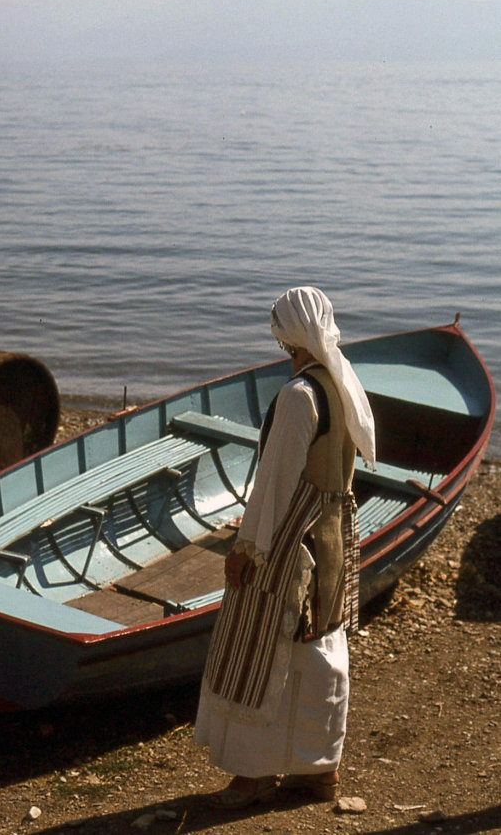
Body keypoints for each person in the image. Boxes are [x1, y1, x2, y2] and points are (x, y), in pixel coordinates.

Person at [193, 286, 375, 810]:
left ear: (287, 334)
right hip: (334, 533)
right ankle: (319, 771)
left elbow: (275, 482)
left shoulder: (299, 396)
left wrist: (247, 549)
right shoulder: (342, 384)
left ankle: (253, 775)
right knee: (320, 649)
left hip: (292, 538)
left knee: (262, 648)